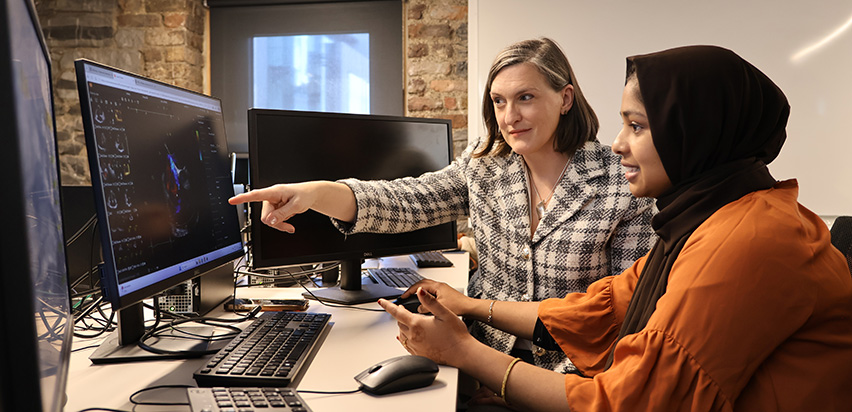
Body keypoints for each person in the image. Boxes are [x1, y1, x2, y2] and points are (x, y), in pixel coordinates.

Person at [380, 45, 852, 411]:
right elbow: (602, 307)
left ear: (697, 134)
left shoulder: (747, 242)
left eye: (638, 126)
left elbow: (634, 401)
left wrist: (467, 354)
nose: (618, 144)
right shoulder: (709, 217)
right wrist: (472, 307)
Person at [229, 38, 656, 372]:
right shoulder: (486, 167)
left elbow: (619, 317)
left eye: (525, 97)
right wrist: (316, 193)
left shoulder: (621, 180)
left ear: (564, 99)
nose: (509, 117)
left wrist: (509, 378)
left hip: (572, 374)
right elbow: (407, 200)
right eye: (499, 101)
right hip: (480, 356)